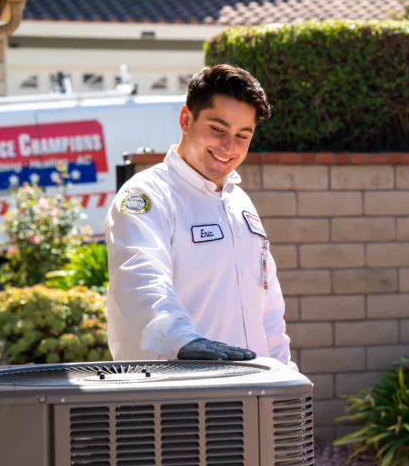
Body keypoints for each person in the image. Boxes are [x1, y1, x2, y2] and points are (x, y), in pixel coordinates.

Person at [105, 63, 290, 364]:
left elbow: (268, 307)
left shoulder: (240, 202)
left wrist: (284, 372)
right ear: (186, 119)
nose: (229, 147)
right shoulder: (146, 196)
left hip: (251, 393)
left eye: (243, 135)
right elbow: (141, 280)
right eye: (217, 129)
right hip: (176, 397)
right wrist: (184, 341)